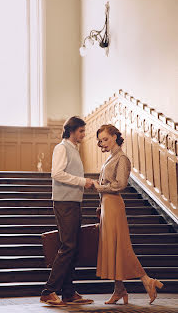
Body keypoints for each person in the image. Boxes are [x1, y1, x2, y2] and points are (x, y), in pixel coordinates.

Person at [93, 124, 163, 305]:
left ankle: (147, 280)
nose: (103, 143)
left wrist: (102, 188)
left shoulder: (122, 158)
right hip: (107, 206)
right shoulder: (111, 157)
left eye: (106, 139)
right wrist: (100, 203)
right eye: (100, 141)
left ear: (115, 136)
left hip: (115, 206)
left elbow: (120, 184)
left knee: (122, 247)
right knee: (113, 248)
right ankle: (119, 290)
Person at [40, 116, 94, 307]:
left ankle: (69, 293)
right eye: (81, 131)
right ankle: (48, 291)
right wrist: (83, 181)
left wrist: (83, 182)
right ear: (72, 130)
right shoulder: (61, 147)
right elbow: (57, 173)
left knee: (73, 247)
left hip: (73, 202)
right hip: (64, 202)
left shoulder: (73, 149)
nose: (84, 134)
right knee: (68, 246)